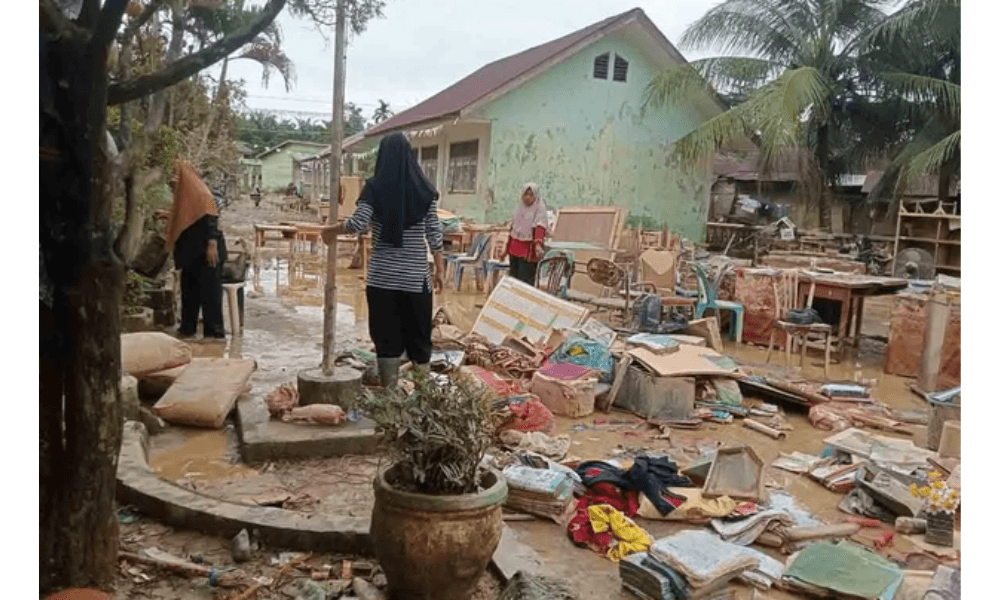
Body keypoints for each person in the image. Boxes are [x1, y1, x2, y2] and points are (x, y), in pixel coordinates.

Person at [322, 133, 445, 388]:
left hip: (382, 280)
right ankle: (424, 395)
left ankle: (390, 395)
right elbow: (434, 234)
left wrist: (331, 230)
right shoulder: (425, 191)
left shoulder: (375, 188)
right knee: (419, 338)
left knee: (386, 338)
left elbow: (357, 223)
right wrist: (440, 270)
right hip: (415, 280)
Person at [165, 158, 228, 339]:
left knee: (210, 293)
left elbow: (211, 217)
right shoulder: (185, 196)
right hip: (191, 252)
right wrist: (167, 216)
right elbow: (189, 218)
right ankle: (187, 328)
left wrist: (212, 244)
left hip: (207, 252)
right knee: (189, 291)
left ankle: (214, 334)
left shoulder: (202, 194)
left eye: (176, 174)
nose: (173, 178)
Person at [503, 183, 549, 285]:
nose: (528, 197)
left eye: (531, 195)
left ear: (536, 196)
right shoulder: (519, 209)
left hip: (528, 251)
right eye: (526, 194)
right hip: (514, 250)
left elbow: (540, 227)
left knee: (525, 282)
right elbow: (513, 229)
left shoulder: (539, 210)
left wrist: (538, 245)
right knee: (513, 280)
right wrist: (506, 249)